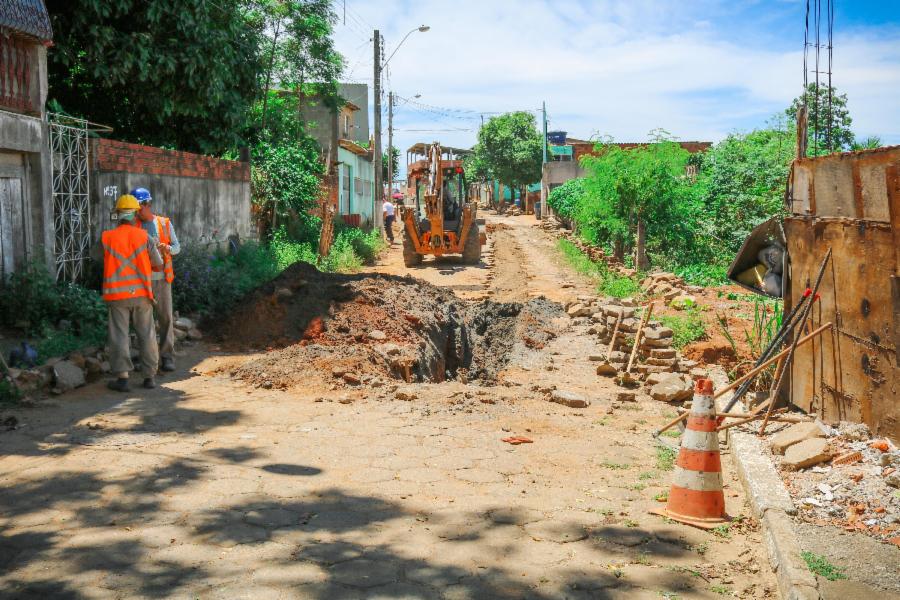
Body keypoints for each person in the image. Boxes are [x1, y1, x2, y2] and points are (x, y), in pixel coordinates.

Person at [102, 194, 163, 392]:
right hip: (142, 295)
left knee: (119, 336)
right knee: (147, 335)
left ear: (117, 213)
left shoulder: (107, 237)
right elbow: (158, 263)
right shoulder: (144, 237)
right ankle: (150, 377)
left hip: (117, 297)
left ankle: (123, 378)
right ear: (136, 213)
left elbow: (95, 257)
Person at [132, 187, 180, 372]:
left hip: (162, 280)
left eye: (139, 208)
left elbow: (177, 247)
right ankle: (146, 357)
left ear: (148, 204)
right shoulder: (134, 226)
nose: (137, 212)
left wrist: (168, 248)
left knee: (165, 318)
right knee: (143, 322)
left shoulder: (164, 223)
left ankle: (167, 356)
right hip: (141, 281)